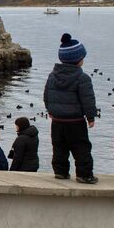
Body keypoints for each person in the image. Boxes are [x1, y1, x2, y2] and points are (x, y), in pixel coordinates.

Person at [43, 33, 98, 184]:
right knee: (81, 148)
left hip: (57, 121)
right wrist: (91, 117)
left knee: (59, 147)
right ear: (78, 59)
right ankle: (84, 175)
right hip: (75, 121)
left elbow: (46, 95)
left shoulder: (52, 75)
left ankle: (60, 172)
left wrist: (51, 110)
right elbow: (88, 100)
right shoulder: (82, 78)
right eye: (82, 57)